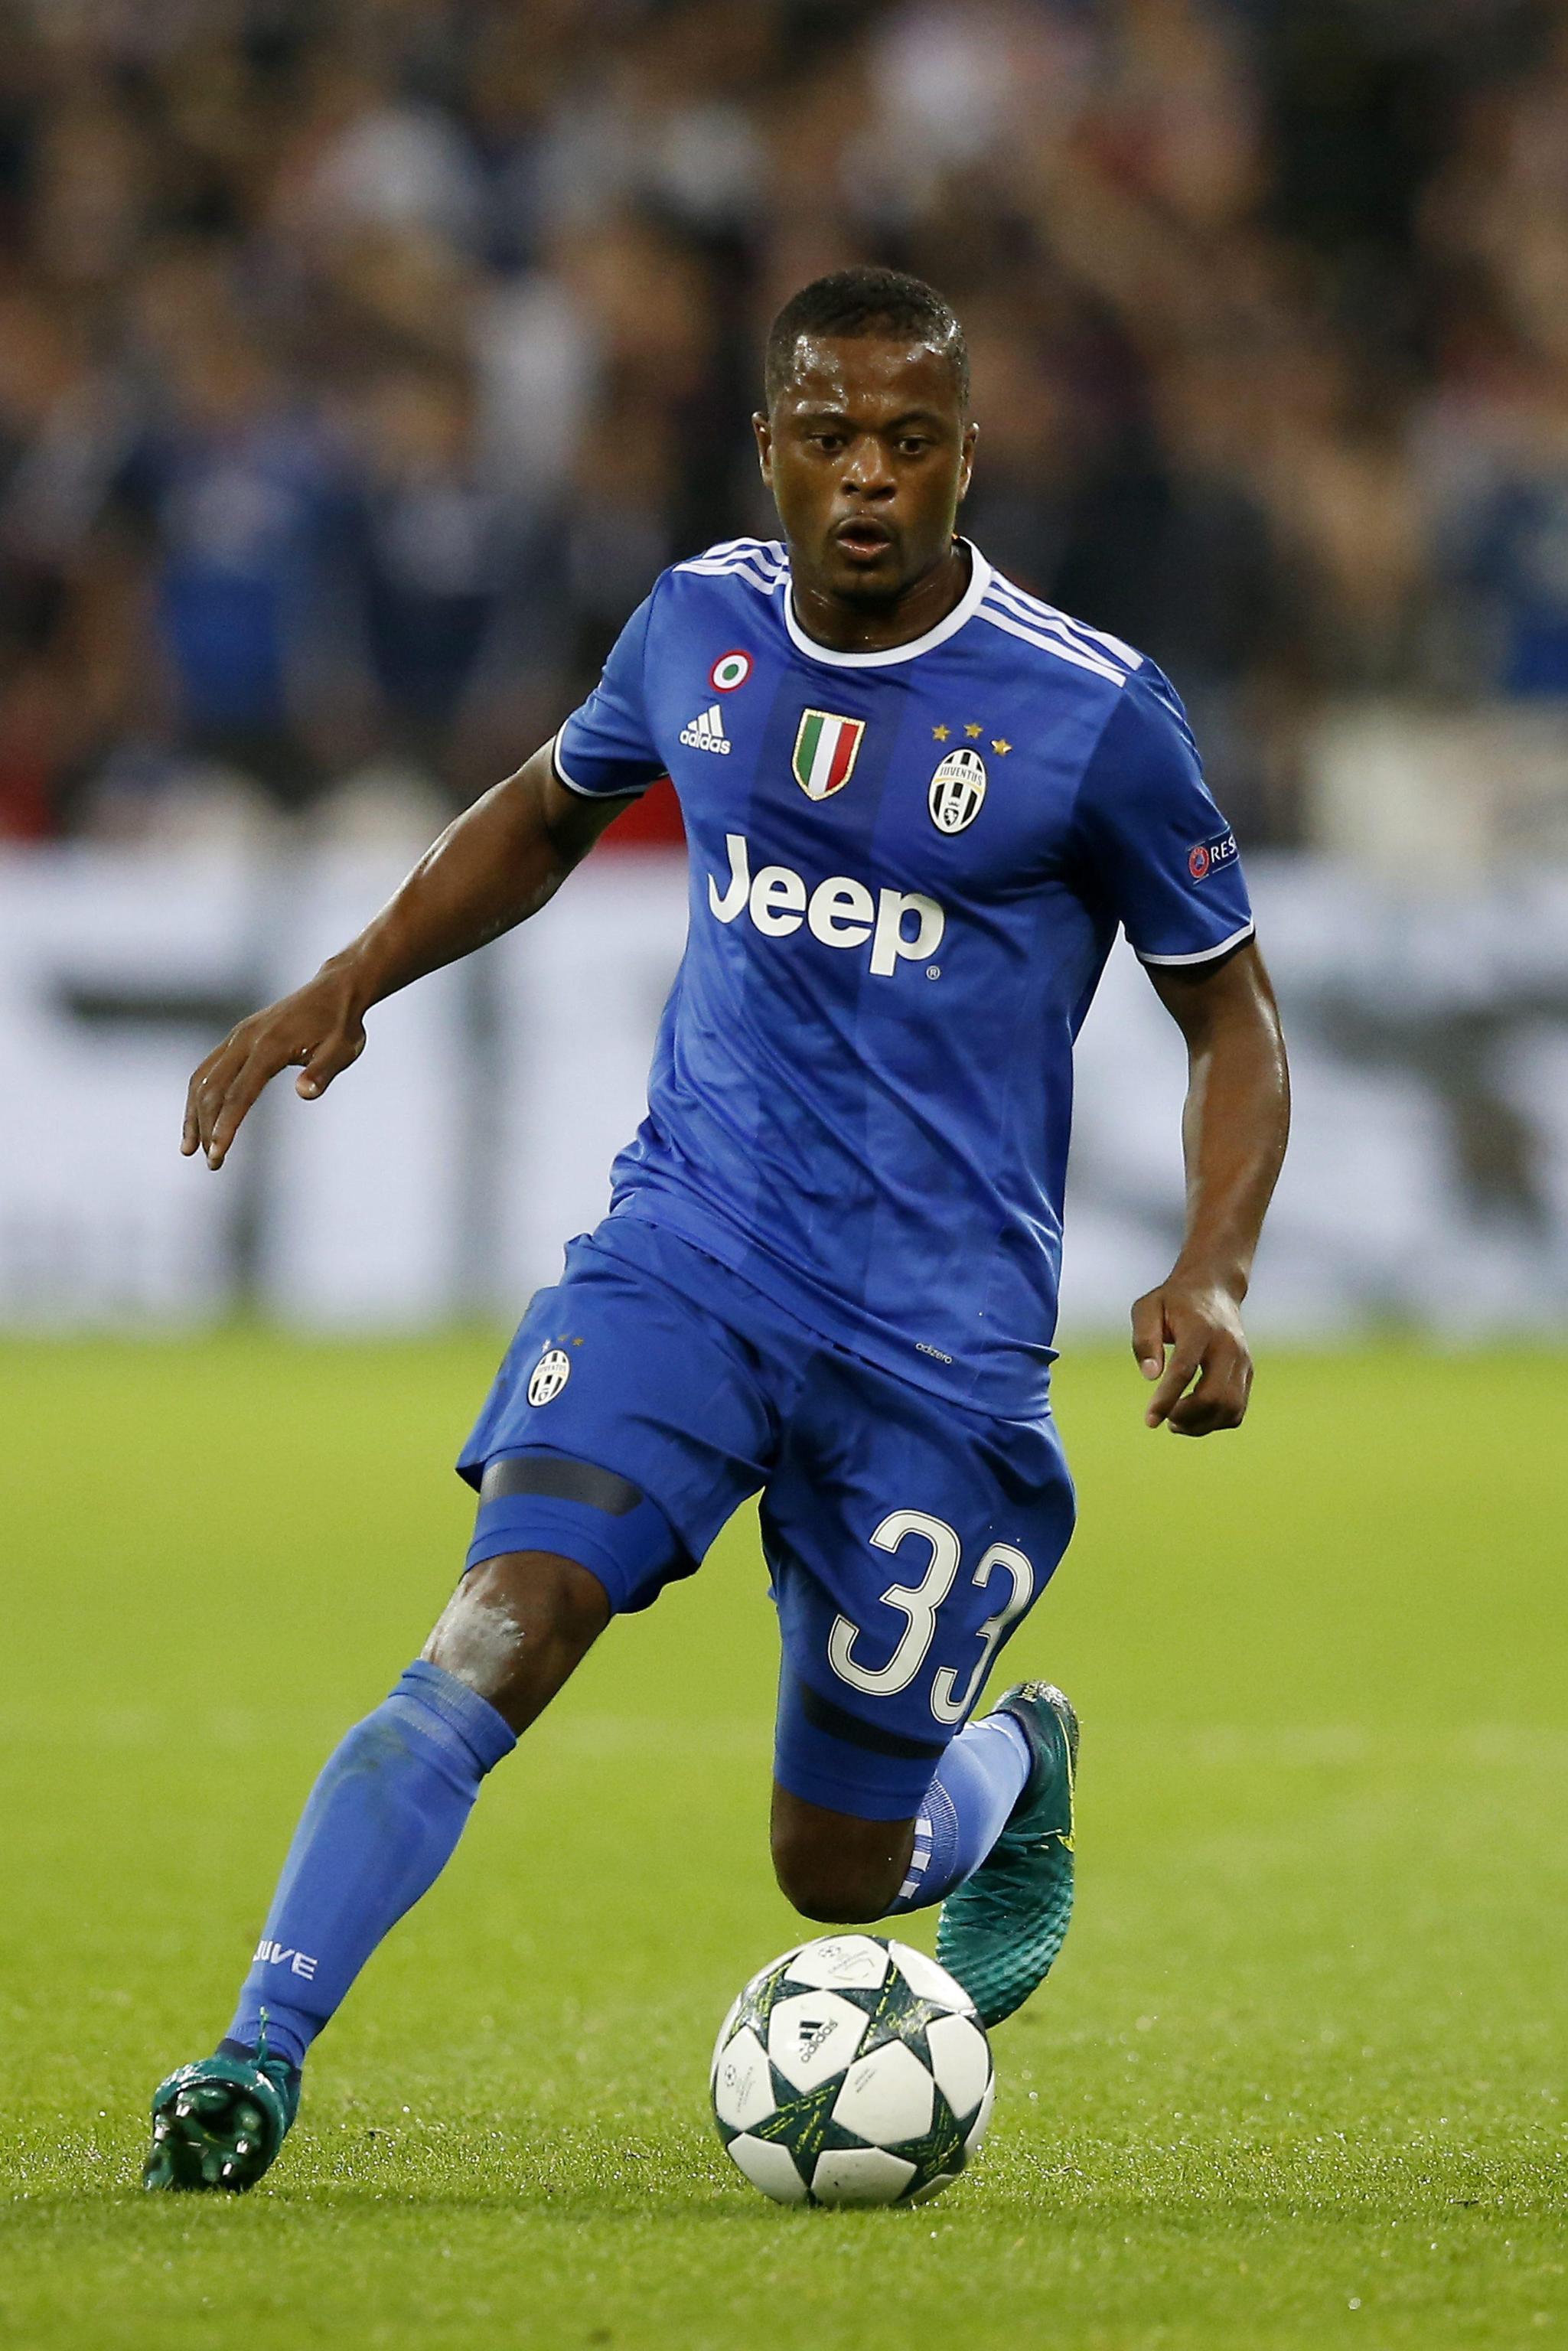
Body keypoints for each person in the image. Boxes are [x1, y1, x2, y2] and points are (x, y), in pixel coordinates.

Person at [146, 268, 1289, 2193]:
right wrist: (350, 976)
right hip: (692, 1257)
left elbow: (1231, 1013)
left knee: (834, 1868)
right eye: (829, 437)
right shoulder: (694, 625)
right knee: (494, 1633)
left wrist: (1213, 1265)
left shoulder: (1089, 713)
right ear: (768, 446)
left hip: (937, 1345)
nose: (867, 477)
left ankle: (1012, 1764)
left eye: (909, 442)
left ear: (966, 459)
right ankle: (251, 2058)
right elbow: (544, 808)